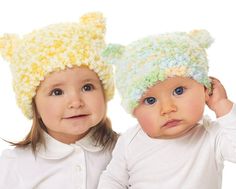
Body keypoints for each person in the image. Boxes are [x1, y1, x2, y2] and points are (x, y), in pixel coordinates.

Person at [98, 30, 236, 188]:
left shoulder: (211, 136)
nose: (167, 109)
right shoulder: (130, 141)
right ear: (133, 110)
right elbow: (113, 180)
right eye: (150, 100)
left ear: (205, 89)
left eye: (179, 91)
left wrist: (222, 104)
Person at [0, 12, 118, 189]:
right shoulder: (13, 165)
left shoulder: (126, 149)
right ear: (34, 107)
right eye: (57, 92)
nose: (76, 102)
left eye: (87, 87)